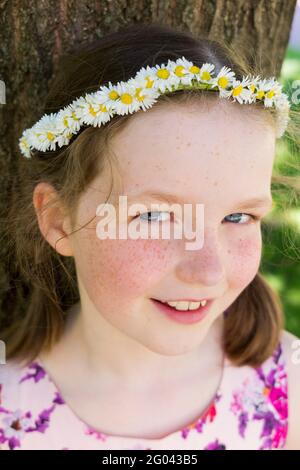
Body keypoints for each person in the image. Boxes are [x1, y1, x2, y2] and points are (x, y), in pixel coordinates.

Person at [0, 22, 299, 450]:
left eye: (237, 217)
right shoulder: (10, 414)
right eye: (156, 216)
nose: (209, 271)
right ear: (59, 221)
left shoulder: (285, 387)